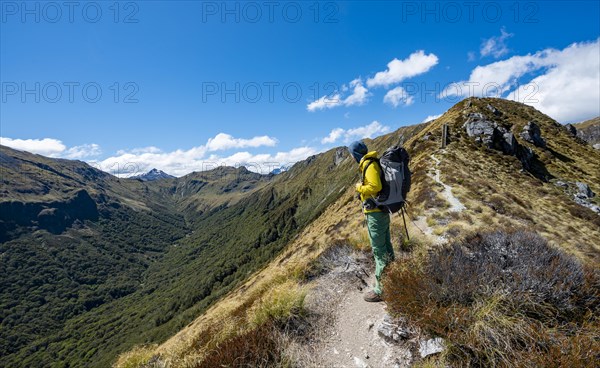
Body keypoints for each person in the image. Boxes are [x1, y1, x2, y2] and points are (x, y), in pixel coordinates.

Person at [348, 140, 395, 303]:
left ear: (355, 155)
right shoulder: (371, 163)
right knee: (386, 246)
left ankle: (380, 290)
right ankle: (393, 277)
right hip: (380, 212)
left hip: (375, 214)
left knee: (379, 250)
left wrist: (359, 187)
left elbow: (375, 186)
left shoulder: (369, 164)